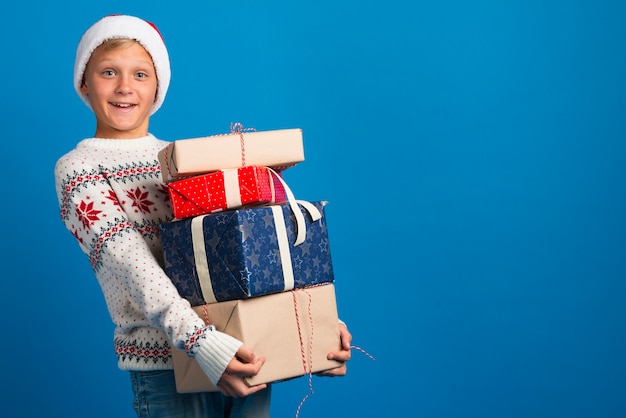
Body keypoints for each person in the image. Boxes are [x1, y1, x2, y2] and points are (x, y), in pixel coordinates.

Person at [54, 14, 353, 418]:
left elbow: (243, 251)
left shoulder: (182, 161)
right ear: (84, 82)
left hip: (242, 351)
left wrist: (312, 321)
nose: (125, 87)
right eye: (109, 72)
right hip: (172, 366)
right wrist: (203, 344)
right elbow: (132, 264)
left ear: (158, 86)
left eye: (141, 74)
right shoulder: (78, 169)